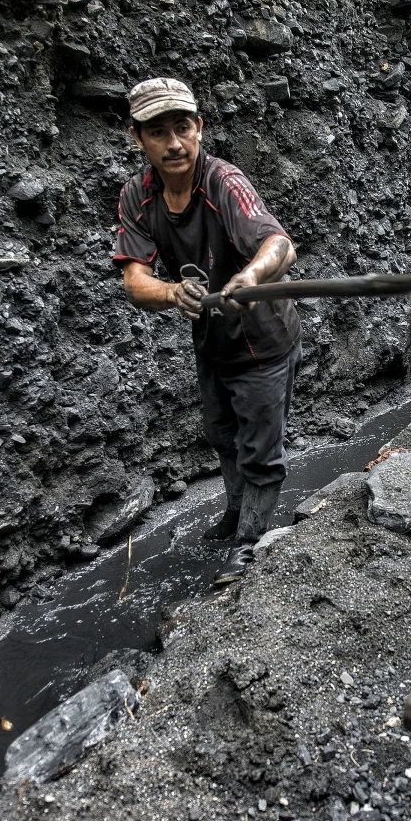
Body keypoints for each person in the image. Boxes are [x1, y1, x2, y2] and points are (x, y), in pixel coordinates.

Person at [112, 77, 300, 585]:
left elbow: (279, 244)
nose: (174, 143)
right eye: (158, 132)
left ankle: (251, 543)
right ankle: (237, 513)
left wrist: (251, 276)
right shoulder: (138, 195)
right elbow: (134, 281)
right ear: (138, 139)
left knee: (260, 448)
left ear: (199, 128)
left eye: (182, 128)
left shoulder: (224, 182)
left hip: (262, 340)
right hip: (212, 340)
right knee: (220, 432)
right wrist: (173, 292)